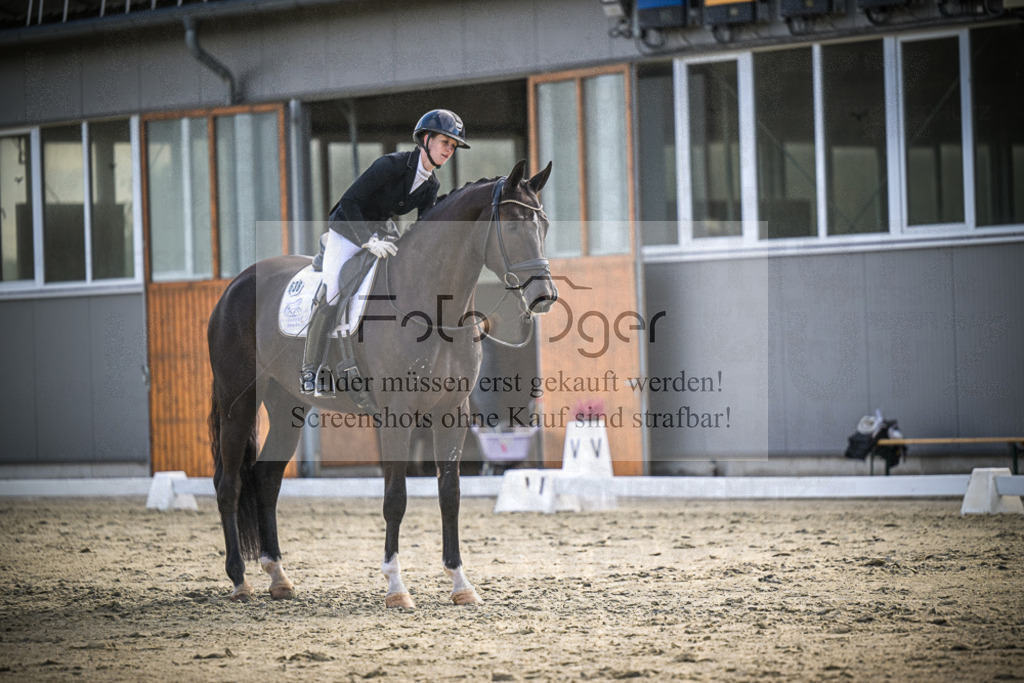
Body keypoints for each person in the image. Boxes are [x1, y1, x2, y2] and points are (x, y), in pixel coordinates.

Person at [300, 109, 470, 394]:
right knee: (331, 292)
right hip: (348, 231)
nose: (449, 150)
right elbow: (350, 201)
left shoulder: (431, 185)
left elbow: (424, 230)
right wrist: (367, 240)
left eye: (453, 146)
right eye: (445, 142)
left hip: (382, 235)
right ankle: (310, 370)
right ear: (426, 139)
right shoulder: (391, 165)